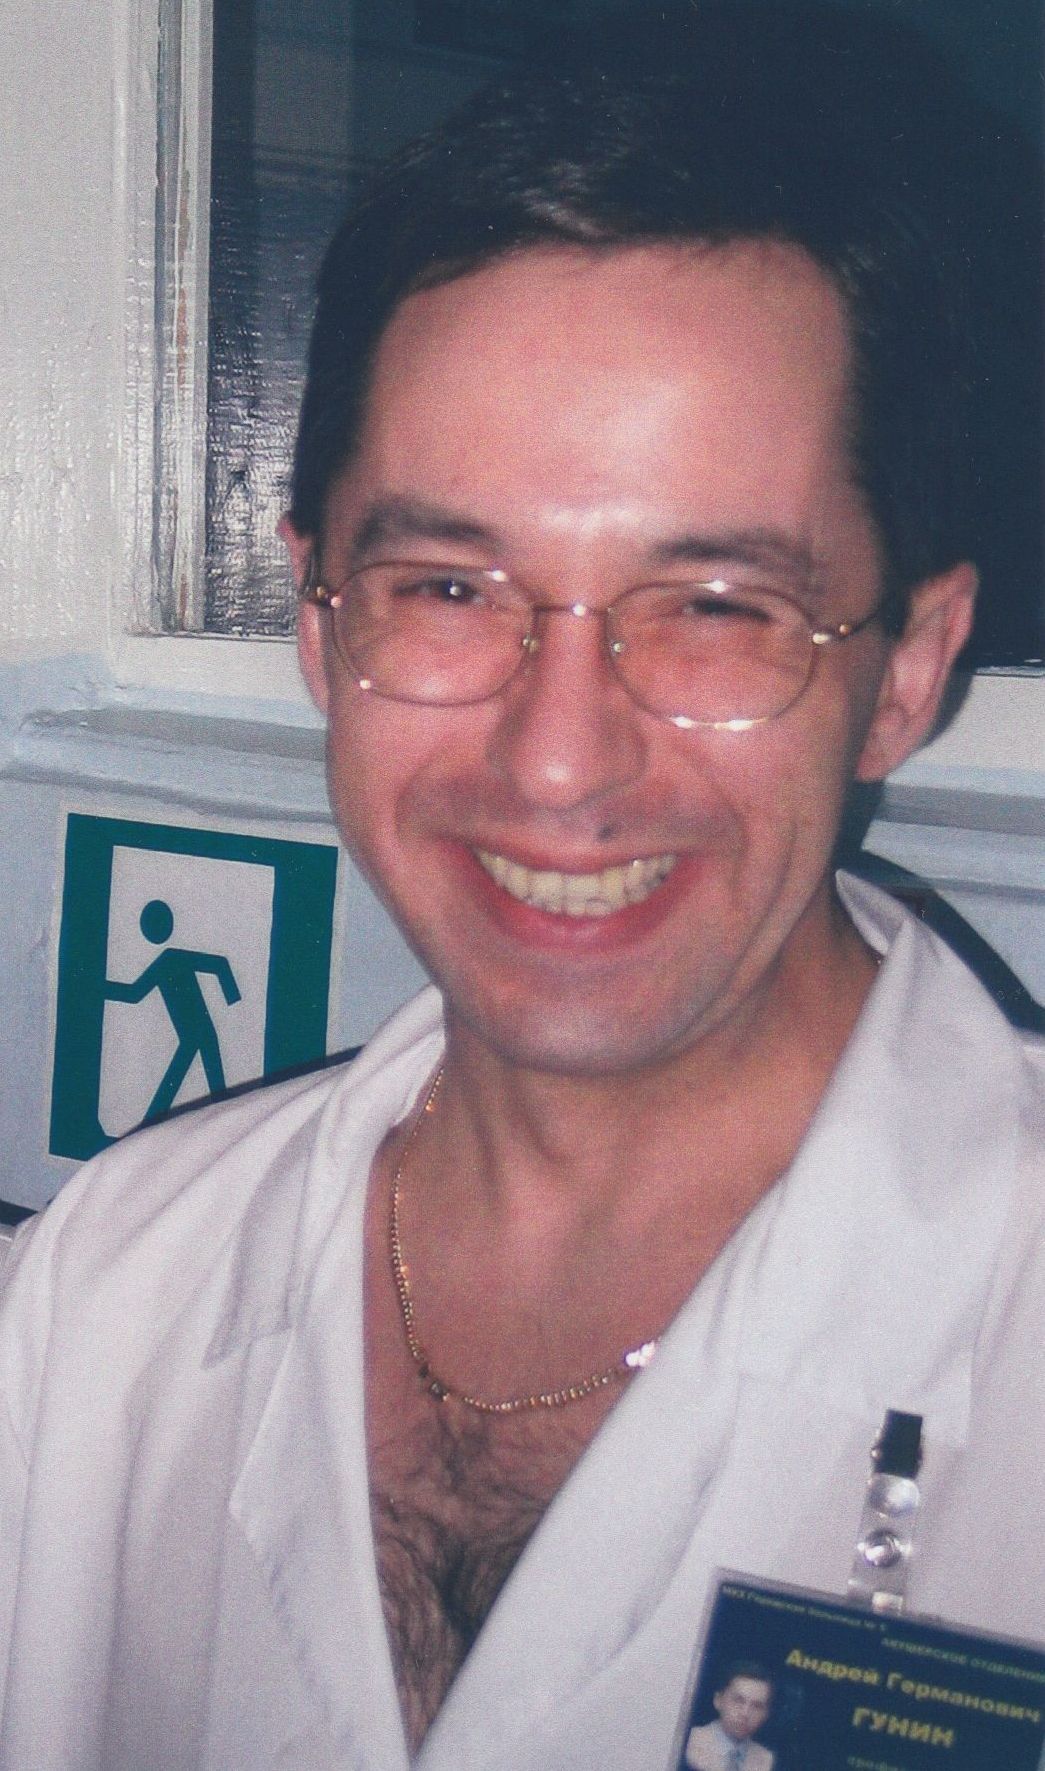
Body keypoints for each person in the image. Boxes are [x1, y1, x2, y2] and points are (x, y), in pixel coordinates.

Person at [1, 9, 1042, 1769]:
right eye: (449, 589)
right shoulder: (110, 1293)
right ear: (320, 619)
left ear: (910, 668)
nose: (559, 761)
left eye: (714, 606)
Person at [685, 1664, 775, 1771]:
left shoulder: (766, 1760)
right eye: (738, 1701)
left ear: (766, 1714)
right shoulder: (688, 1741)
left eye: (757, 1706)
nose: (745, 1713)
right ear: (718, 1700)